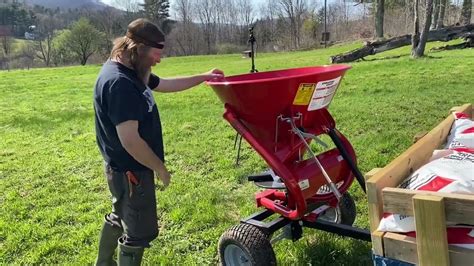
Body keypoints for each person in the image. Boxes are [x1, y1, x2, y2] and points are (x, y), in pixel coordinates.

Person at [93, 18, 224, 265]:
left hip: (121, 169)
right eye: (156, 53)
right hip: (131, 170)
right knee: (137, 232)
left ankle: (103, 263)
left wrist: (204, 77)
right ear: (139, 48)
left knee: (119, 214)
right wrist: (159, 168)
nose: (159, 59)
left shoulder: (131, 69)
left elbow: (164, 84)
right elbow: (131, 141)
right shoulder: (120, 83)